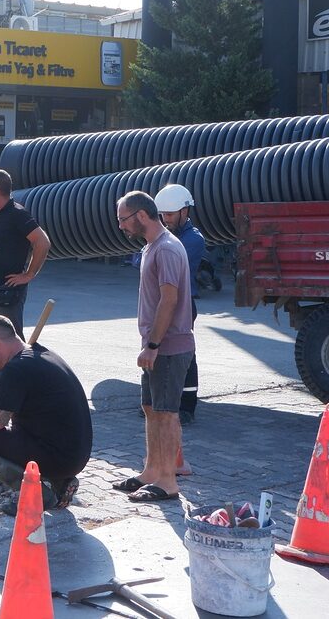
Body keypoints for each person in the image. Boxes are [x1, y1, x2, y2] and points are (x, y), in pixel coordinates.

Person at [0, 316, 92, 515]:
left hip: (59, 456)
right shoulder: (42, 354)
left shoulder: (17, 369)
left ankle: (36, 493)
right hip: (74, 455)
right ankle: (59, 483)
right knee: (17, 429)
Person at [112, 190, 195, 503]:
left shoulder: (168, 249)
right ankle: (150, 471)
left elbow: (169, 299)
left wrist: (153, 344)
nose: (121, 226)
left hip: (169, 346)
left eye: (123, 219)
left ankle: (167, 482)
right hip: (156, 345)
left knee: (166, 412)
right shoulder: (151, 247)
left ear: (141, 216)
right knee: (150, 408)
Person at [0, 169, 51, 402]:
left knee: (8, 341)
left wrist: (29, 274)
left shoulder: (17, 214)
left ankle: (17, 388)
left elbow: (42, 242)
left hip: (8, 291)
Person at [155, 183, 203, 424]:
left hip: (182, 306)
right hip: (162, 304)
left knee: (184, 354)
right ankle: (159, 403)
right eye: (162, 215)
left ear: (185, 212)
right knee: (159, 351)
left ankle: (187, 407)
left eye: (170, 215)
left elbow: (163, 261)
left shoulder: (193, 240)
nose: (165, 220)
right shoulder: (163, 238)